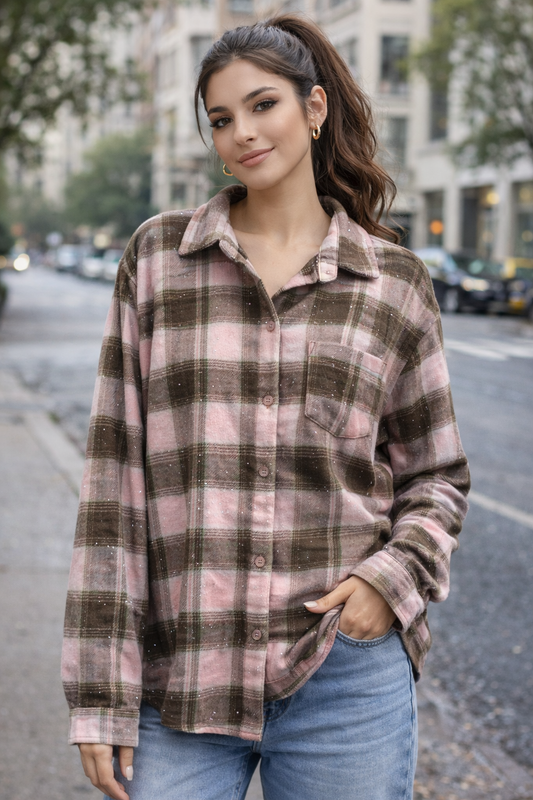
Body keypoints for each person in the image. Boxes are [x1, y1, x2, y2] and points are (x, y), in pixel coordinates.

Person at [62, 14, 470, 800]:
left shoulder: (393, 283)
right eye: (220, 119)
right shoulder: (157, 260)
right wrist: (100, 693)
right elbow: (115, 488)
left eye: (262, 105)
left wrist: (389, 583)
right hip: (182, 678)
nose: (242, 133)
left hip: (341, 673)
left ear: (313, 109)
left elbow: (437, 477)